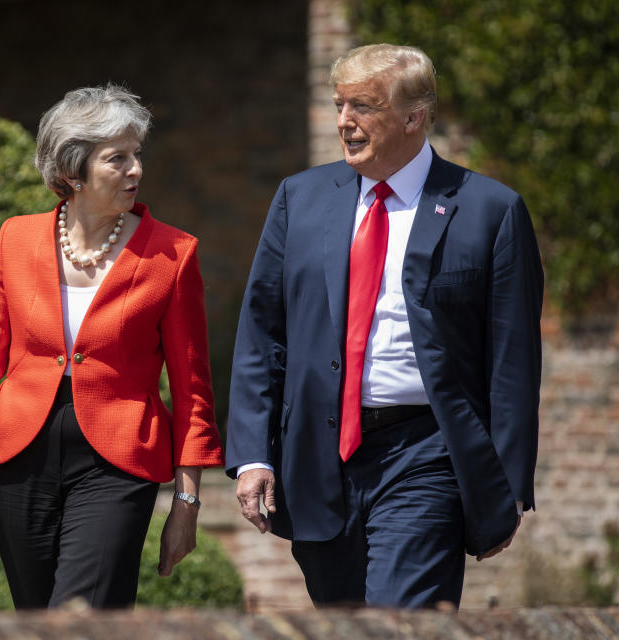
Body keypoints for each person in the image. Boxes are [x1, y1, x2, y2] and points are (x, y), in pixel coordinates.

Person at [226, 44, 543, 608]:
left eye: (364, 107)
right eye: (340, 104)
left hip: (426, 453)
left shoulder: (490, 209)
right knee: (342, 618)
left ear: (413, 117)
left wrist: (509, 486)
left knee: (400, 618)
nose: (344, 121)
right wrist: (254, 454)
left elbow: (512, 361)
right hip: (320, 455)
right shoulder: (299, 198)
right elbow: (262, 333)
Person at [0, 84, 224, 609]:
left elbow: (192, 390)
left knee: (82, 616)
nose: (136, 171)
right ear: (72, 171)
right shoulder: (15, 239)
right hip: (20, 454)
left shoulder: (173, 254)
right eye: (117, 158)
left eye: (137, 155)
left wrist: (187, 502)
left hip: (119, 459)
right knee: (36, 618)